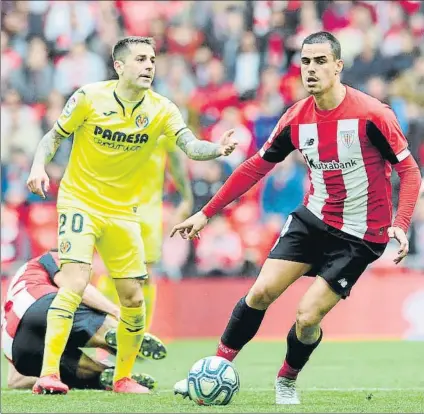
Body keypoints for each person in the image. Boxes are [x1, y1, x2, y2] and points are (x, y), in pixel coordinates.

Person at [171, 32, 422, 404]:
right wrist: (206, 213)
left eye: (321, 61)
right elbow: (256, 166)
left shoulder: (373, 115)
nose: (311, 69)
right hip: (314, 219)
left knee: (306, 317)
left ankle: (286, 379)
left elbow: (411, 172)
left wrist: (400, 224)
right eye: (305, 62)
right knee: (261, 292)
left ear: (338, 66)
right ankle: (215, 367)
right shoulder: (296, 118)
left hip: (361, 235)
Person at [26, 36, 238, 395]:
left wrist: (217, 149)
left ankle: (123, 378)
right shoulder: (88, 97)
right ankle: (48, 374)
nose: (149, 65)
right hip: (80, 202)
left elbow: (189, 146)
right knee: (75, 282)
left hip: (123, 212)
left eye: (152, 59)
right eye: (141, 59)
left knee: (134, 298)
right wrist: (38, 166)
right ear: (119, 66)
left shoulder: (162, 108)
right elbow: (52, 137)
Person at [1, 250, 165, 391]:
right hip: (42, 304)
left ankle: (99, 374)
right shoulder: (54, 256)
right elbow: (76, 288)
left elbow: (15, 381)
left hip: (17, 349)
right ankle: (117, 335)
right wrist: (116, 311)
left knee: (68, 364)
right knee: (69, 303)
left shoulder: (12, 299)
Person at [96, 135, 194, 331]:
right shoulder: (114, 121)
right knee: (113, 272)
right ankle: (105, 328)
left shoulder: (163, 126)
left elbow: (175, 162)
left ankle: (140, 334)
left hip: (149, 213)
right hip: (117, 208)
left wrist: (186, 197)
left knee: (146, 275)